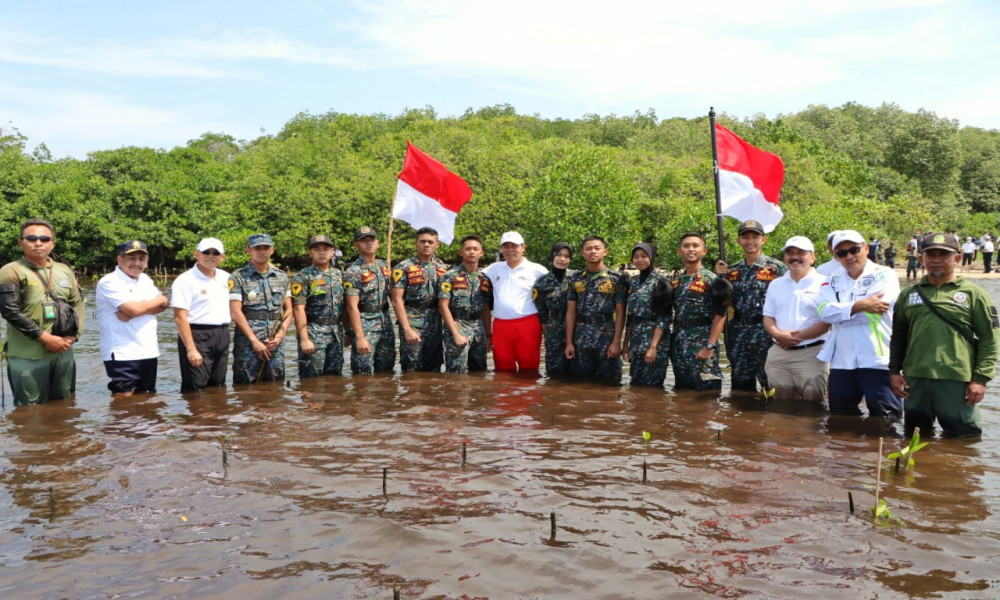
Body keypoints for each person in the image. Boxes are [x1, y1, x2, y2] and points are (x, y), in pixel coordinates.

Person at [890, 232, 1000, 437]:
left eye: (944, 255)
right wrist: (894, 371)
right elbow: (898, 337)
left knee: (963, 440)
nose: (937, 260)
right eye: (931, 255)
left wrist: (980, 379)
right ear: (922, 258)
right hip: (915, 380)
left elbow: (989, 339)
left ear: (957, 259)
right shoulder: (909, 294)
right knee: (914, 439)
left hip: (957, 379)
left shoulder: (974, 294)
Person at [817, 230, 902, 418]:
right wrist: (861, 305)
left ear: (865, 248)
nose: (849, 256)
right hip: (842, 361)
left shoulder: (885, 274)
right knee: (840, 417)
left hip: (877, 358)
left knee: (886, 418)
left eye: (854, 249)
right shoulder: (830, 280)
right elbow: (824, 313)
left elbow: (877, 311)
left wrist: (843, 310)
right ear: (835, 255)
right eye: (842, 253)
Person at [0, 218, 85, 405]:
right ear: (20, 243)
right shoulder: (11, 271)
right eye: (31, 238)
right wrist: (46, 338)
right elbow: (10, 311)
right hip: (28, 355)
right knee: (30, 411)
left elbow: (77, 304)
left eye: (45, 239)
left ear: (52, 243)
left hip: (63, 351)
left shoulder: (64, 270)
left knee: (65, 405)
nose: (38, 243)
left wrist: (74, 336)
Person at [716, 219, 787, 392]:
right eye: (745, 237)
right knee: (740, 386)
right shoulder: (732, 271)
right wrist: (719, 278)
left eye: (755, 237)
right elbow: (722, 301)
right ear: (739, 241)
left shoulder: (777, 269)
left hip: (766, 333)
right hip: (738, 333)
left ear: (763, 240)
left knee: (770, 384)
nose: (750, 241)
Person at [761, 236, 831, 403]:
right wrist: (778, 335)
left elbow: (827, 321)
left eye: (801, 253)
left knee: (813, 406)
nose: (795, 257)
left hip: (812, 353)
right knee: (780, 404)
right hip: (779, 352)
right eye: (790, 253)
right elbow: (768, 317)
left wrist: (793, 338)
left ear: (812, 257)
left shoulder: (825, 283)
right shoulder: (776, 284)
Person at [95, 240, 169, 396]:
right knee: (123, 400)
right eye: (132, 258)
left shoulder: (145, 280)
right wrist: (142, 307)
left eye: (141, 259)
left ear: (147, 262)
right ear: (120, 259)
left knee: (147, 397)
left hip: (148, 350)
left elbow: (164, 304)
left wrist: (140, 309)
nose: (137, 263)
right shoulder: (109, 281)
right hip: (122, 352)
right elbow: (134, 309)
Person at [229, 233, 293, 384]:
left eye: (266, 248)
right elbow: (235, 311)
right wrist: (254, 340)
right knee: (246, 385)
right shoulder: (238, 277)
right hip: (248, 341)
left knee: (276, 385)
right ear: (248, 250)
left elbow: (289, 310)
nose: (262, 251)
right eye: (257, 248)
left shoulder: (281, 276)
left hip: (275, 341)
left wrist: (279, 336)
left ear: (272, 250)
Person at [481, 231, 548, 371]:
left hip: (528, 324)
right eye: (506, 246)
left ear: (523, 247)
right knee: (502, 369)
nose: (510, 250)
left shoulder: (538, 270)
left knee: (529, 368)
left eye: (514, 246)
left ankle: (529, 394)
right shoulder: (493, 269)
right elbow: (472, 275)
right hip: (500, 326)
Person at [171, 237, 231, 393]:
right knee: (195, 387)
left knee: (218, 386)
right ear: (196, 254)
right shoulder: (185, 280)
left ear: (222, 257)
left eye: (215, 253)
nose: (211, 256)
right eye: (206, 252)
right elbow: (179, 316)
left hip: (222, 334)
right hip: (197, 335)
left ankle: (217, 417)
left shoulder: (227, 278)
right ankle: (195, 416)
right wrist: (191, 349)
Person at [564, 236, 628, 382]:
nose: (593, 251)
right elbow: (571, 311)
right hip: (581, 337)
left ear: (605, 251)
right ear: (582, 253)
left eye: (597, 248)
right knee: (581, 383)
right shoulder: (575, 278)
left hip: (606, 336)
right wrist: (569, 342)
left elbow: (621, 313)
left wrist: (616, 342)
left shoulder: (616, 278)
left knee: (610, 382)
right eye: (589, 248)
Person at [670, 232, 727, 390]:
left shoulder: (712, 280)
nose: (691, 249)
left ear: (704, 251)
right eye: (686, 246)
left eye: (695, 245)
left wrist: (710, 346)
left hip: (702, 344)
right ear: (679, 251)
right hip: (679, 345)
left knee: (708, 395)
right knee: (682, 393)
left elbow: (720, 315)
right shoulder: (677, 281)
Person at [391, 227, 448, 372]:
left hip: (435, 323)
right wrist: (407, 329)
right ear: (416, 243)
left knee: (434, 368)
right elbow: (397, 300)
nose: (426, 245)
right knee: (411, 367)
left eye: (430, 242)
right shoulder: (403, 268)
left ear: (437, 245)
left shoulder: (443, 268)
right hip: (412, 321)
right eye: (422, 241)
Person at [291, 235, 346, 378]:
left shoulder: (339, 275)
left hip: (336, 333)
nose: (321, 253)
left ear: (332, 251)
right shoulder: (303, 277)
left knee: (335, 380)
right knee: (311, 381)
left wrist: (348, 332)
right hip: (314, 332)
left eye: (326, 249)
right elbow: (298, 309)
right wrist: (304, 339)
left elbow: (344, 307)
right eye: (316, 249)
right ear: (310, 252)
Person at [343, 226, 395, 374]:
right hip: (364, 323)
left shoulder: (384, 266)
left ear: (378, 243)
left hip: (385, 322)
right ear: (356, 245)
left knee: (387, 368)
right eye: (364, 241)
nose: (369, 243)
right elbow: (351, 306)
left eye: (371, 240)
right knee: (362, 370)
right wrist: (359, 337)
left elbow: (394, 297)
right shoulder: (353, 271)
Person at [438, 235, 491, 373]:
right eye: (468, 249)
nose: (472, 252)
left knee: (480, 372)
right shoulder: (450, 276)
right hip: (457, 324)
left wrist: (489, 335)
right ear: (461, 252)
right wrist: (455, 334)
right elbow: (443, 306)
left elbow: (485, 308)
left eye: (475, 249)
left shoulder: (484, 279)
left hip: (478, 329)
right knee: (456, 373)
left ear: (481, 252)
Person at [623, 242, 672, 387]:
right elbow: (630, 316)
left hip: (655, 340)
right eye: (636, 257)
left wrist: (653, 346)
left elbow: (664, 317)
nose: (639, 260)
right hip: (636, 340)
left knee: (653, 386)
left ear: (651, 258)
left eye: (644, 256)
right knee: (635, 384)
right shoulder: (633, 282)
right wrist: (626, 345)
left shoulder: (661, 282)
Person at [532, 242, 577, 377]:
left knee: (577, 368)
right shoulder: (542, 282)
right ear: (552, 256)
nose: (562, 259)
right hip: (554, 327)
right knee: (554, 369)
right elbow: (542, 312)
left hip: (578, 327)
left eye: (567, 256)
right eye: (559, 255)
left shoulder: (577, 277)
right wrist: (548, 334)